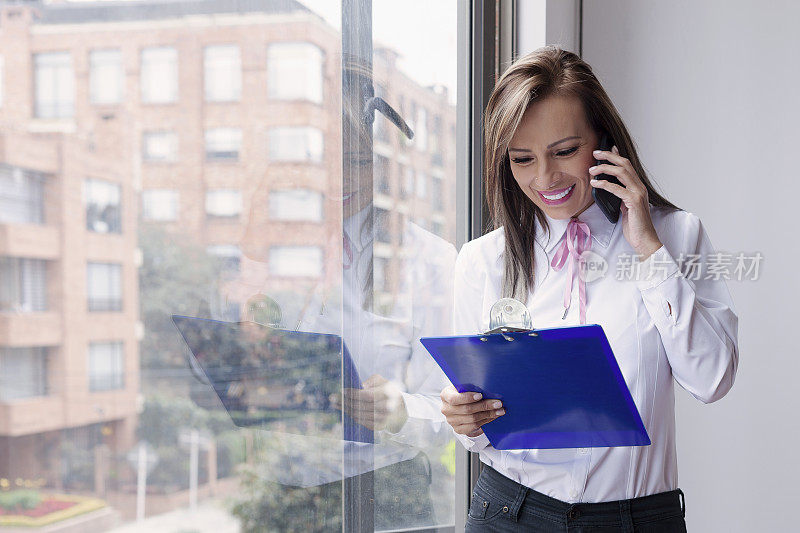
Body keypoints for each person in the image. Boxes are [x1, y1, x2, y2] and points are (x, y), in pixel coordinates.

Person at [440, 45, 739, 532]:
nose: (545, 178)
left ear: (602, 139)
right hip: (508, 512)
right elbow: (481, 426)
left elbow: (713, 380)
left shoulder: (678, 236)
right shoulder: (481, 262)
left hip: (636, 519)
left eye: (564, 151)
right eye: (522, 159)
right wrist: (466, 420)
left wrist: (648, 251)